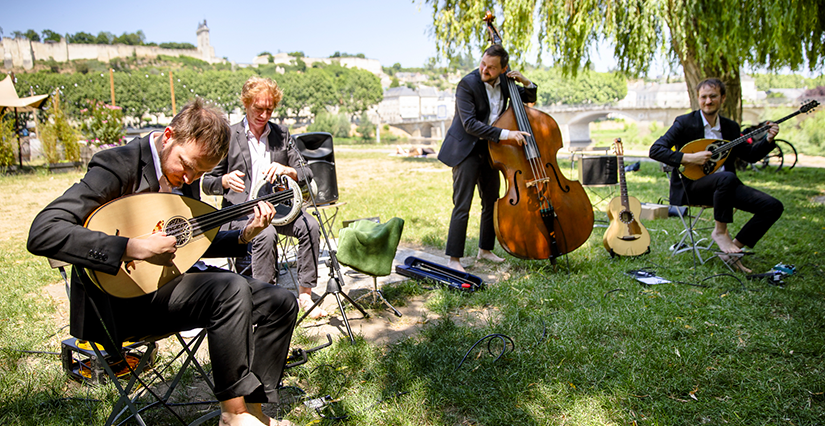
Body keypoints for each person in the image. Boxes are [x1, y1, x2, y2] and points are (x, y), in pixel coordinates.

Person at [27, 99, 298, 426]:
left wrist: (244, 235)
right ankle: (234, 414)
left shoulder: (188, 172)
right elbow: (43, 232)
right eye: (187, 165)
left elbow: (188, 242)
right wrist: (131, 247)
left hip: (172, 288)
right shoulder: (118, 164)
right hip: (122, 303)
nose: (189, 177)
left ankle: (255, 411)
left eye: (199, 173)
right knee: (229, 288)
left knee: (280, 302)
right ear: (169, 135)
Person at [202, 77, 326, 318]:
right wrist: (224, 181)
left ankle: (305, 296)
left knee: (310, 225)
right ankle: (266, 299)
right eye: (258, 108)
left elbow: (306, 171)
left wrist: (289, 170)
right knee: (264, 232)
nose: (264, 115)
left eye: (269, 109)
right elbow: (207, 183)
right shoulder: (228, 136)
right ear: (246, 103)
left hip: (280, 210)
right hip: (241, 212)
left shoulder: (281, 134)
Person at [649, 78, 783, 273]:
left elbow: (750, 155)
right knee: (727, 177)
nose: (708, 101)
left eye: (713, 96)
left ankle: (732, 250)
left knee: (772, 207)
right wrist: (689, 158)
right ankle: (720, 232)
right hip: (693, 188)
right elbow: (656, 150)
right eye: (703, 97)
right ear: (697, 98)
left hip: (725, 189)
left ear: (723, 98)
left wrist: (769, 140)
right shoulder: (685, 123)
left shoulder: (730, 127)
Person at [437, 44, 537, 272]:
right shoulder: (467, 84)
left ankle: (485, 250)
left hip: (491, 150)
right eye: (483, 64)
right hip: (466, 150)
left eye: (491, 67)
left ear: (503, 69)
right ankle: (453, 259)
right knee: (462, 204)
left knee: (491, 202)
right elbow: (470, 124)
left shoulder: (505, 83)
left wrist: (526, 81)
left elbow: (529, 99)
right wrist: (507, 135)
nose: (484, 69)